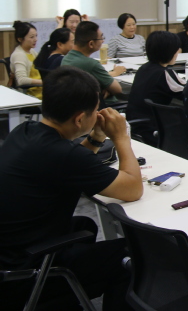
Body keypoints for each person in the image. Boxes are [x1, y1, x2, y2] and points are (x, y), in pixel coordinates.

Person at [0, 67, 142, 310]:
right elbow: (133, 188)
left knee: (84, 226)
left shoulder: (25, 131)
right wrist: (121, 138)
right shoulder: (64, 154)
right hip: (21, 276)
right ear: (79, 119)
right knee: (131, 257)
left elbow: (69, 165)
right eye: (95, 110)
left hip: (9, 254)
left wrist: (96, 137)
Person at [125, 32, 186, 146]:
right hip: (151, 129)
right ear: (168, 51)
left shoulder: (144, 68)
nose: (178, 52)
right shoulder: (164, 73)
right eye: (176, 49)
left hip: (135, 124)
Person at [62, 21, 126, 101]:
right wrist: (107, 90)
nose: (102, 41)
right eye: (101, 38)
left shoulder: (66, 58)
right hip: (103, 106)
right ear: (91, 44)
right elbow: (117, 90)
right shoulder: (91, 64)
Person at [10, 21, 43, 98]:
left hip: (41, 90)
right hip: (32, 95)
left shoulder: (32, 52)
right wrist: (44, 82)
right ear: (20, 39)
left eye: (36, 36)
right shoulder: (19, 55)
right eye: (32, 37)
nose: (36, 39)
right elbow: (21, 80)